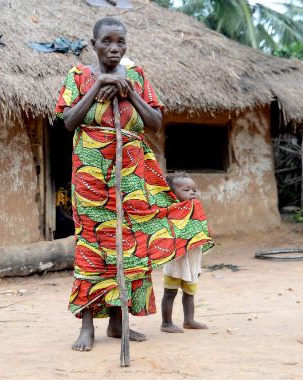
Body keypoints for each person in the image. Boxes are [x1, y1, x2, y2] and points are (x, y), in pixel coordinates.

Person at [54, 17, 213, 352]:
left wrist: (128, 92)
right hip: (91, 174)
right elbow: (69, 121)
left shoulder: (138, 76)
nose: (114, 48)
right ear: (94, 43)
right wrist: (99, 86)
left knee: (129, 243)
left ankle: (117, 322)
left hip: (131, 173)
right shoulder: (78, 76)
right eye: (107, 42)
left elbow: (154, 121)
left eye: (121, 42)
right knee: (93, 244)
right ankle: (87, 326)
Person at [160, 172, 208, 333]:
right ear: (173, 194)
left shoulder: (197, 209)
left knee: (190, 292)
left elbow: (205, 230)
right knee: (170, 293)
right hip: (176, 260)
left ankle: (189, 320)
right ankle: (166, 323)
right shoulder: (171, 211)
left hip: (192, 259)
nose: (192, 193)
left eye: (194, 189)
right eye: (186, 190)